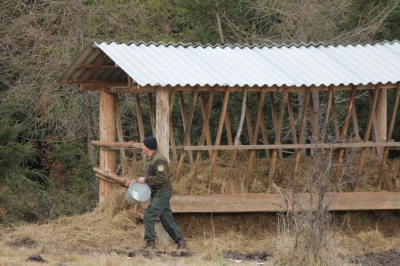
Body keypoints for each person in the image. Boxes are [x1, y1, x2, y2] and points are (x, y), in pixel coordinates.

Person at [125, 136, 187, 250]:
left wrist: (146, 180)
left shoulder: (158, 159)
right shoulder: (150, 158)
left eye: (143, 145)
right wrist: (135, 182)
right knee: (166, 219)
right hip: (157, 192)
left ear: (148, 147)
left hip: (162, 192)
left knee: (148, 215)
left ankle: (150, 244)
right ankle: (181, 243)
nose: (142, 147)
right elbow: (149, 177)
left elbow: (162, 177)